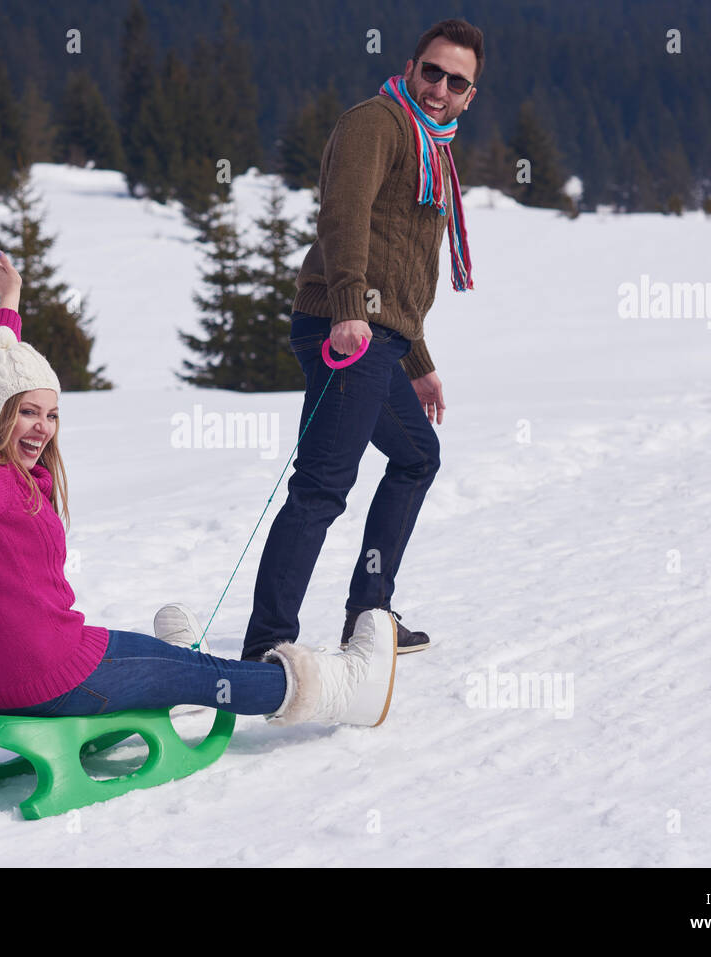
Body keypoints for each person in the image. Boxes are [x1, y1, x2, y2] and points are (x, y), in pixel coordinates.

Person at [0, 238, 397, 727]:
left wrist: (8, 300)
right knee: (208, 675)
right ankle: (344, 690)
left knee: (167, 661)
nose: (43, 428)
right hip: (50, 675)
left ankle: (171, 679)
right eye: (29, 413)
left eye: (52, 414)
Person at [241, 19, 484, 662]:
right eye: (432, 71)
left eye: (456, 81)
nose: (439, 88)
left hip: (380, 337)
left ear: (469, 96)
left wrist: (419, 361)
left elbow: (403, 265)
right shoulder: (377, 122)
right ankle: (268, 644)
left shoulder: (432, 147)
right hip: (344, 327)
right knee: (322, 485)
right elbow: (344, 218)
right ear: (411, 66)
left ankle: (369, 615)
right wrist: (350, 310)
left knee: (415, 457)